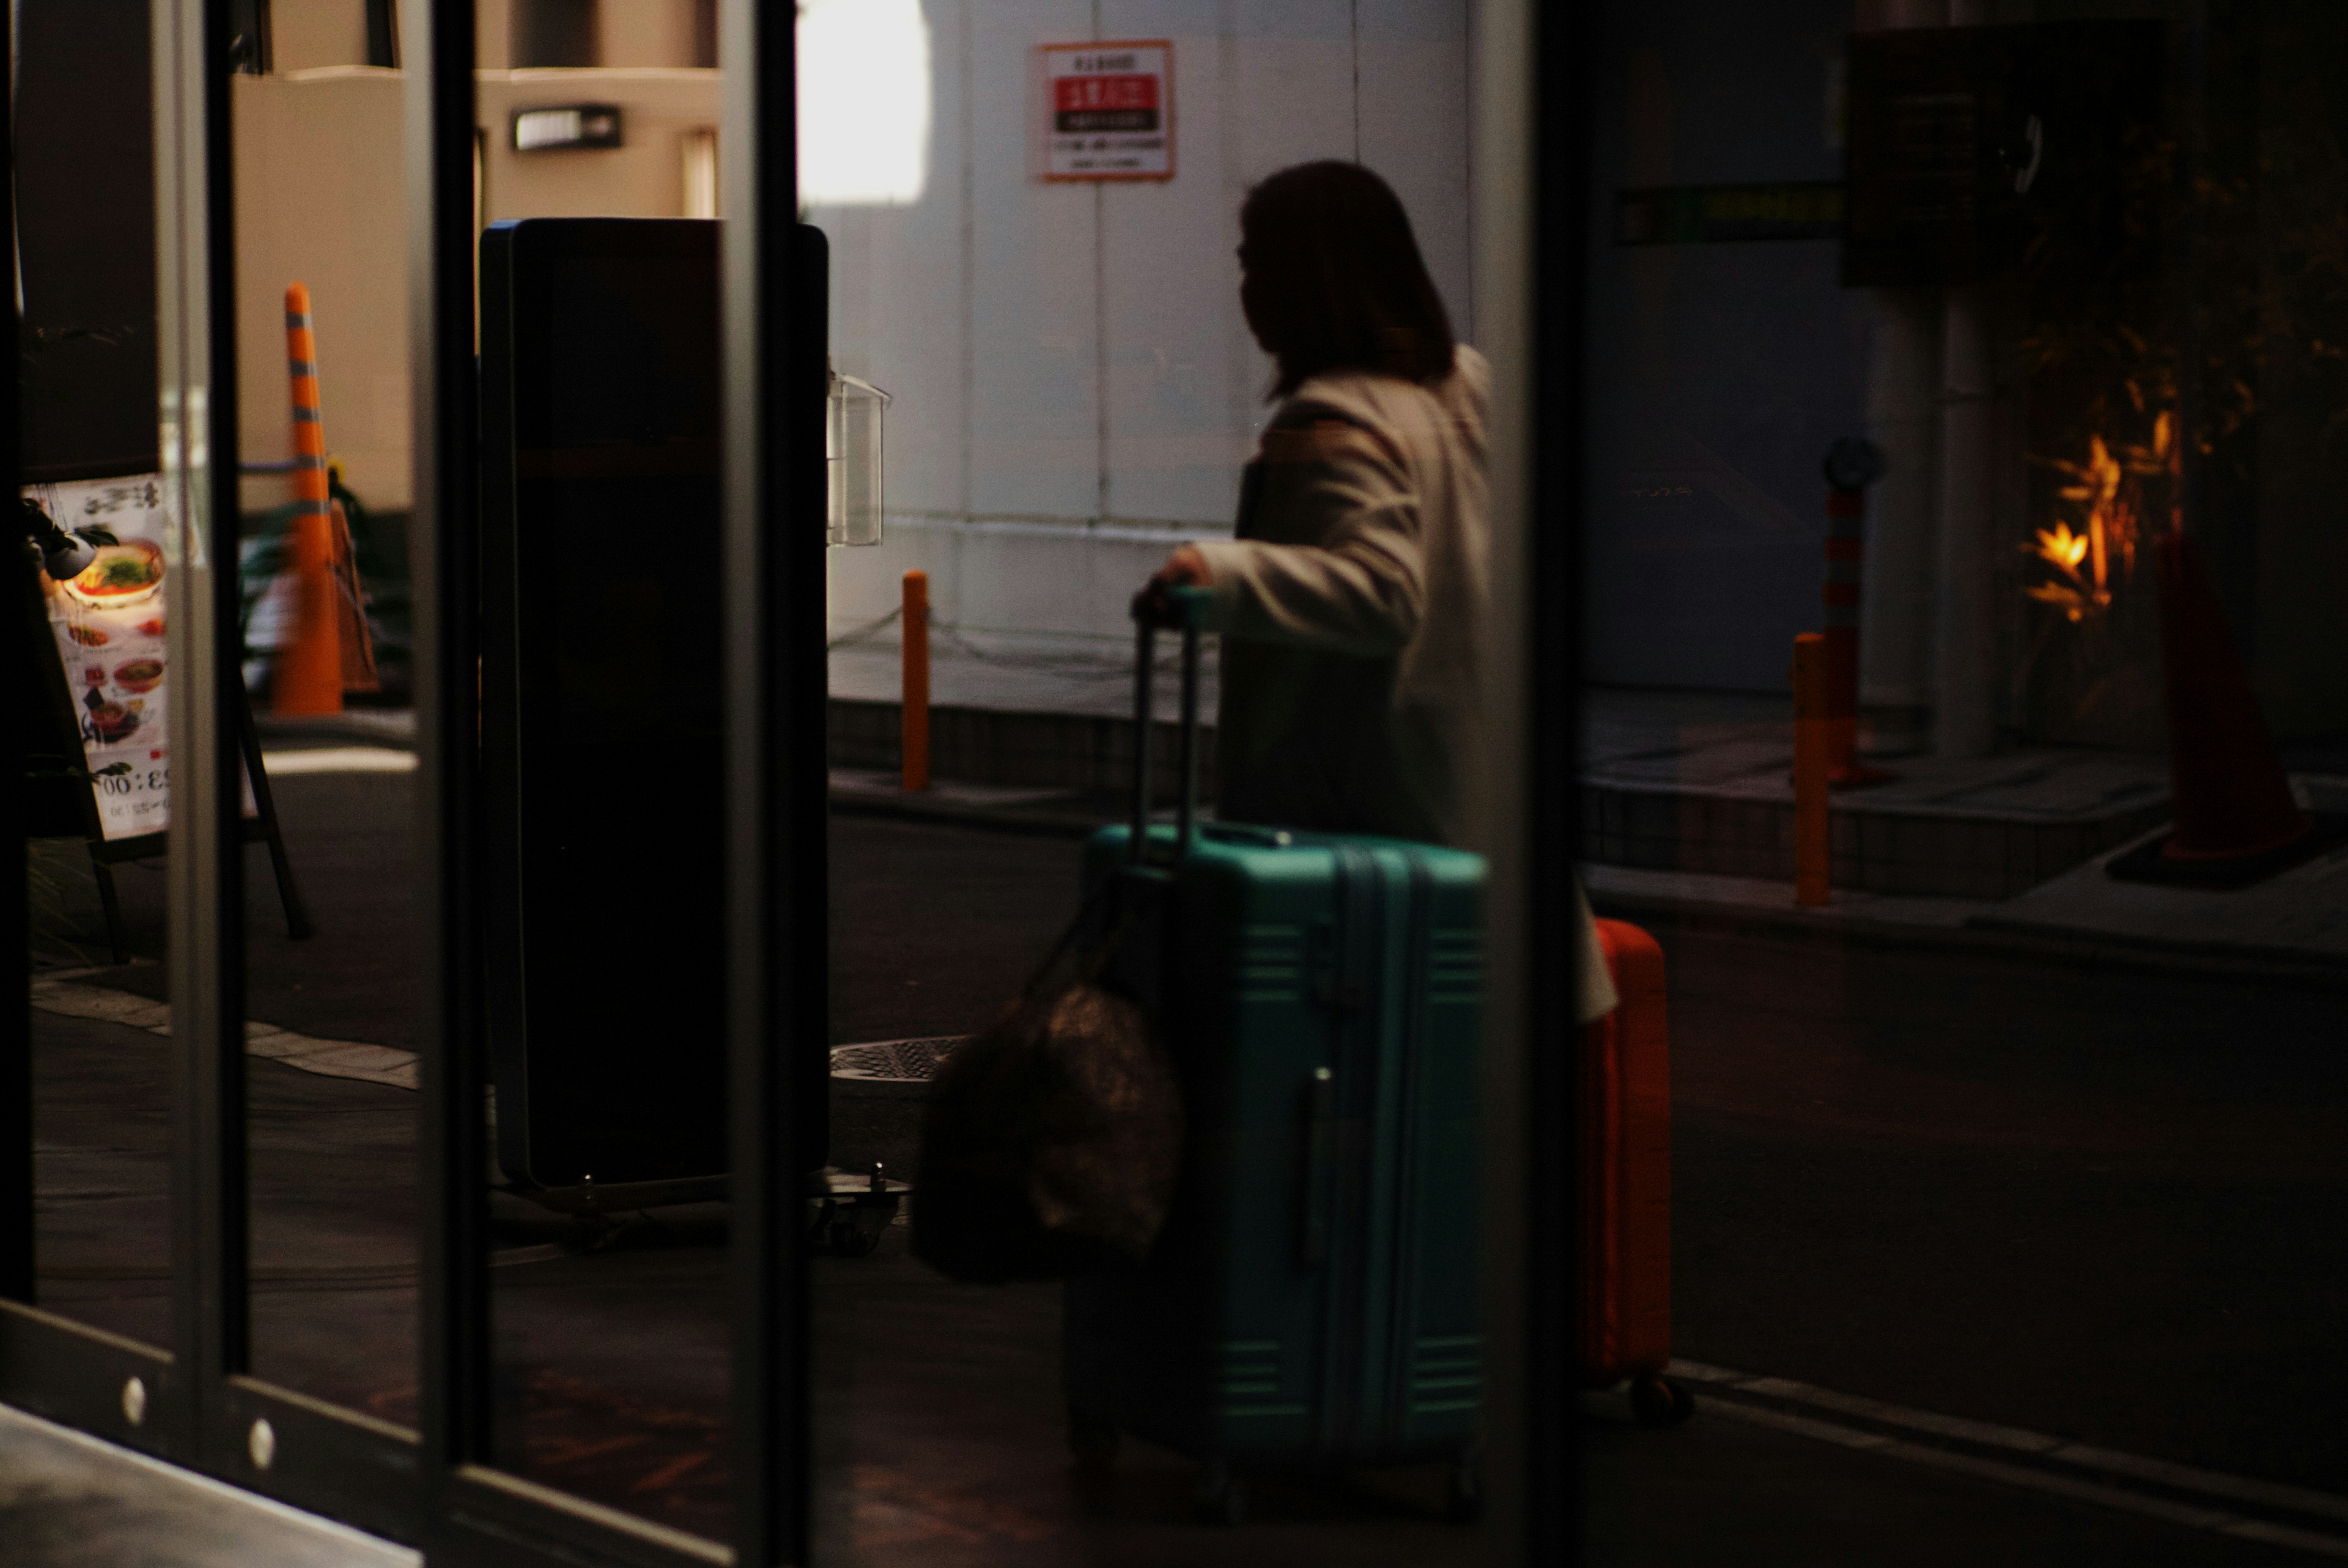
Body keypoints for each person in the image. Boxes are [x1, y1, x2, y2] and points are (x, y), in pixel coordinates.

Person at [1137, 160, 1617, 1021]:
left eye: (1256, 263)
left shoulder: (1334, 417)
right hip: (1494, 812)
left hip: (1385, 850)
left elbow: (1379, 590)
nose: (1245, 288)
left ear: (1303, 279)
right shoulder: (1466, 385)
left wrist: (1217, 574)